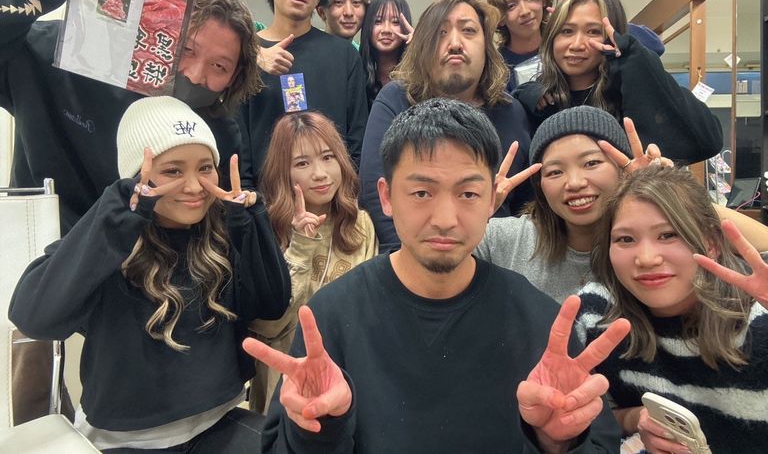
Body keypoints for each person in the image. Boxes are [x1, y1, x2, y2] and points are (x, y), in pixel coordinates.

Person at [245, 97, 629, 453]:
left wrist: (558, 442)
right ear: (386, 197)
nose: (445, 220)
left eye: (468, 194)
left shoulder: (539, 320)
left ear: (492, 200)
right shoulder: (331, 316)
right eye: (422, 193)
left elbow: (600, 443)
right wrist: (320, 427)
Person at [8, 96, 291, 452]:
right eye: (173, 171)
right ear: (135, 177)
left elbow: (271, 305)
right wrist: (120, 214)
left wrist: (249, 222)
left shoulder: (221, 235)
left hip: (219, 422)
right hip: (124, 440)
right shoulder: (109, 244)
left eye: (205, 168)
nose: (194, 187)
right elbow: (34, 318)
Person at [1, 0, 262, 235]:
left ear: (235, 76)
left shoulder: (217, 130)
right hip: (42, 248)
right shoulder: (58, 56)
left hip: (153, 260)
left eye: (219, 66)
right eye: (186, 49)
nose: (195, 75)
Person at [476, 106, 768, 303]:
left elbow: (762, 244)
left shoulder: (655, 247)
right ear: (540, 186)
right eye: (555, 172)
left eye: (591, 163)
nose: (574, 182)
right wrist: (474, 208)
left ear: (622, 169)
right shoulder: (510, 239)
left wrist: (667, 198)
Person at [577, 165, 768, 453]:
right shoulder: (598, 313)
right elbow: (587, 420)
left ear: (711, 244)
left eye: (668, 235)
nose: (646, 258)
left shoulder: (757, 324)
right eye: (625, 239)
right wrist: (636, 419)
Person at [359, 0, 534, 253]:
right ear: (424, 47)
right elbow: (376, 191)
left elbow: (526, 205)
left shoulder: (510, 111)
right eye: (441, 33)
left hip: (495, 258)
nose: (454, 43)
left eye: (468, 31)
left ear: (487, 48)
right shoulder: (395, 100)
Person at [248, 111, 377, 414]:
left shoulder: (360, 224)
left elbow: (365, 310)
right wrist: (301, 246)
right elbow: (269, 326)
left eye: (328, 157)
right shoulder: (266, 229)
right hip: (285, 379)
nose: (320, 173)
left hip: (345, 373)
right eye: (302, 163)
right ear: (283, 172)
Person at [513, 0, 722, 165]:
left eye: (593, 32)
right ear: (552, 38)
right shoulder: (538, 101)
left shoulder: (630, 92)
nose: (576, 45)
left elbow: (707, 141)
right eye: (567, 31)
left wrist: (635, 59)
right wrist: (527, 95)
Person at [239, 0, 368, 183]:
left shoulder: (344, 55)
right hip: (266, 198)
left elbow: (357, 138)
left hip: (332, 197)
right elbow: (239, 141)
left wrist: (348, 193)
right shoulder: (245, 55)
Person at [486, 0, 557, 92]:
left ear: (543, 0)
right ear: (500, 18)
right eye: (511, 6)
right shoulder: (495, 70)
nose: (525, 11)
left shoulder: (561, 49)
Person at [359, 0, 413, 108]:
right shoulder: (357, 74)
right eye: (378, 21)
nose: (386, 30)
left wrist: (419, 48)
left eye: (395, 22)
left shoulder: (416, 77)